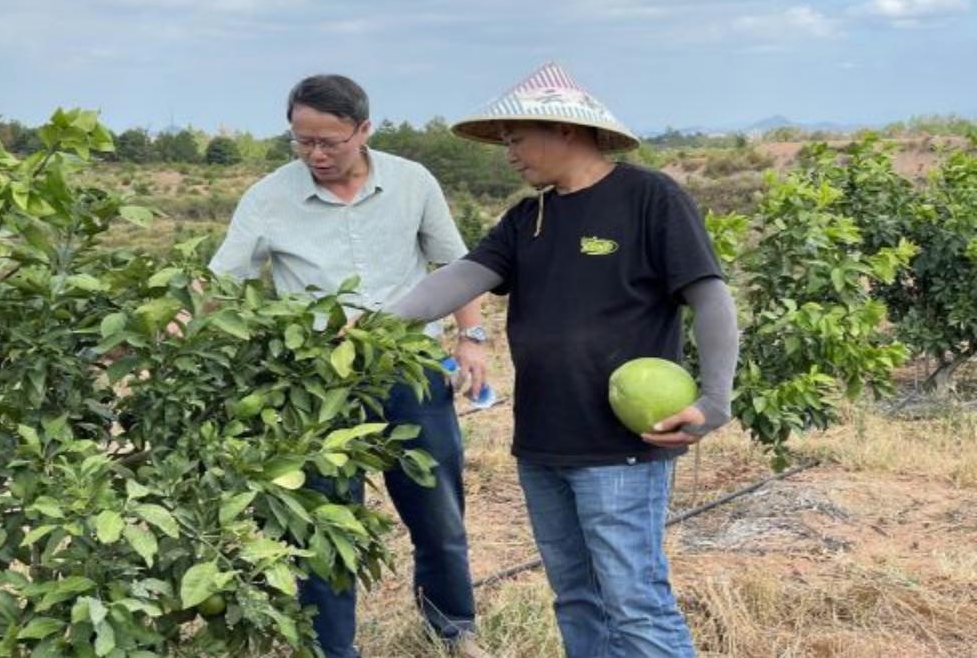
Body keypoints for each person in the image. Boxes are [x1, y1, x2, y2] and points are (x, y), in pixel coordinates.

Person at [384, 62, 739, 658]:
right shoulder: (530, 217)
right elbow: (462, 278)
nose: (509, 153)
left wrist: (715, 401)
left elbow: (710, 296)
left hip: (620, 447)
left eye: (517, 137)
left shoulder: (648, 197)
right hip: (545, 443)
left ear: (566, 130)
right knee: (576, 598)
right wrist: (374, 323)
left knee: (635, 601)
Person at [208, 74, 492, 658]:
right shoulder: (268, 197)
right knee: (326, 523)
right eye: (302, 141)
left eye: (330, 142)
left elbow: (454, 266)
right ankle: (332, 649)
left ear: (363, 130)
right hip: (317, 381)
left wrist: (473, 336)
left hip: (409, 368)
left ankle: (454, 630)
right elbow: (219, 285)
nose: (316, 155)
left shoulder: (413, 182)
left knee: (436, 508)